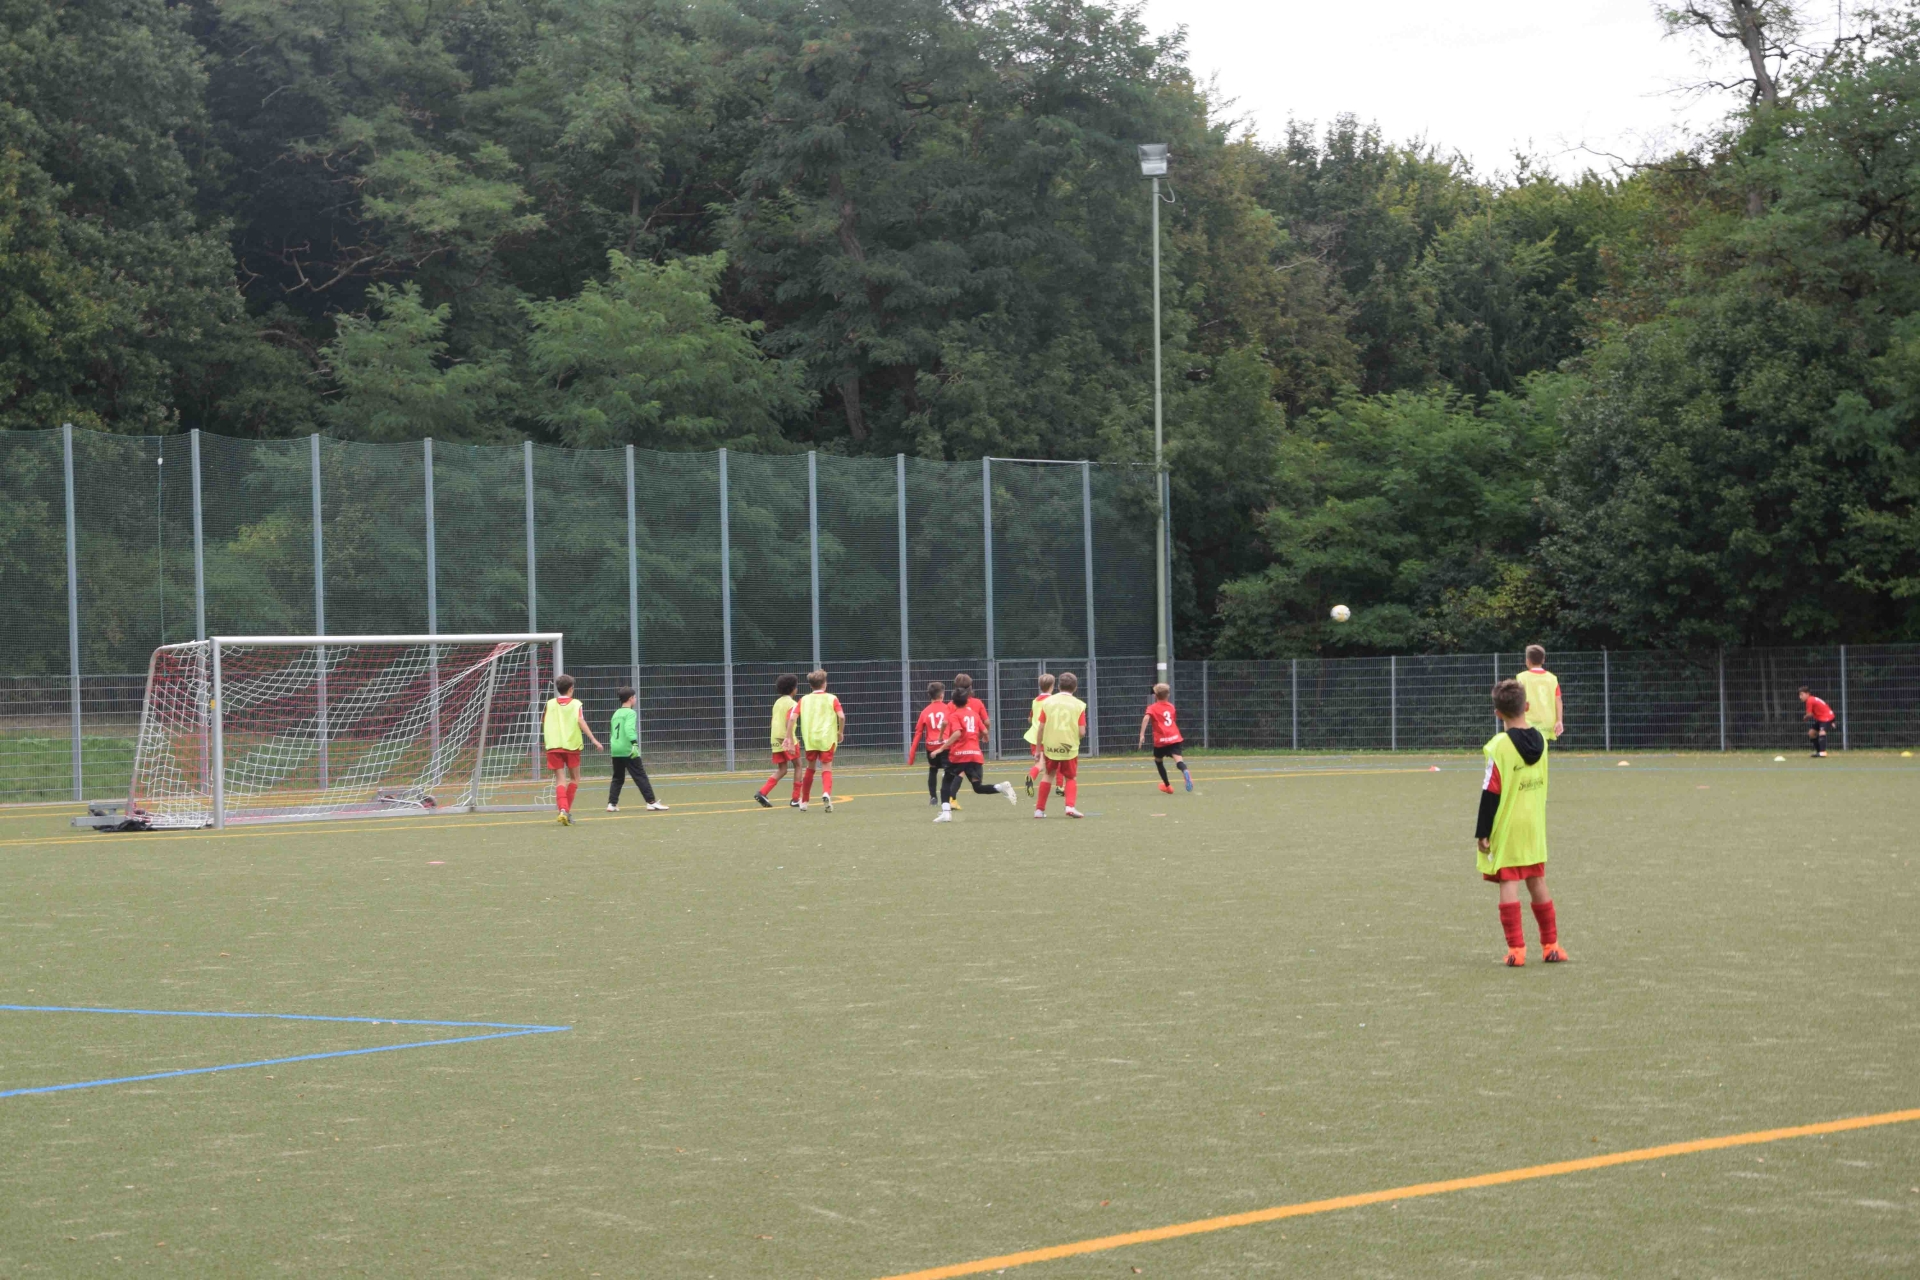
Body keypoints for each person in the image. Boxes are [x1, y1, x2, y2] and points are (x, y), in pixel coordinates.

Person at [1476, 678, 1565, 967]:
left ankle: (1516, 950)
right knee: (1537, 880)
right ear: (1526, 707)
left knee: (1509, 880)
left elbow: (1491, 790)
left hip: (1509, 825)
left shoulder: (1499, 746)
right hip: (1534, 825)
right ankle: (1551, 945)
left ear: (1497, 713)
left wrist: (1483, 831)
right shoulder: (1541, 741)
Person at [934, 675, 1016, 822]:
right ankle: (1000, 787)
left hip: (959, 753)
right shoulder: (975, 710)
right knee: (977, 787)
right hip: (975, 754)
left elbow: (953, 729)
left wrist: (941, 745)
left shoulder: (952, 710)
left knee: (947, 780)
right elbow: (985, 726)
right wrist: (983, 736)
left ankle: (946, 812)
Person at [543, 673, 603, 826]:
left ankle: (563, 810)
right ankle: (566, 810)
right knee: (575, 779)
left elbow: (545, 721)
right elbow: (580, 721)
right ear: (571, 689)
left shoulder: (550, 704)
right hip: (572, 746)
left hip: (553, 745)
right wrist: (593, 739)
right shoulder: (576, 704)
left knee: (560, 780)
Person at [1035, 671, 1088, 818]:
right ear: (1075, 688)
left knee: (1048, 775)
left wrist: (1038, 749)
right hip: (1069, 747)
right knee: (1070, 777)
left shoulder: (1047, 702)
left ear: (1058, 686)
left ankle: (1039, 810)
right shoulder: (1079, 705)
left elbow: (1041, 727)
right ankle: (1070, 807)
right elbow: (1082, 731)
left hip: (1050, 746)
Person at [606, 686, 666, 812]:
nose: (636, 699)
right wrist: (634, 743)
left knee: (618, 777)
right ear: (630, 699)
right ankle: (651, 802)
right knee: (640, 775)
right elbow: (629, 729)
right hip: (628, 749)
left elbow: (612, 732)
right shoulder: (631, 713)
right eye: (635, 697)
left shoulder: (616, 713)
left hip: (615, 749)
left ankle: (612, 804)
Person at [794, 669, 845, 812]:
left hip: (811, 739)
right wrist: (840, 732)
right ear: (824, 684)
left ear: (811, 685)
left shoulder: (803, 700)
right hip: (827, 739)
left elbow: (792, 717)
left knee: (810, 768)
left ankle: (804, 801)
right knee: (826, 767)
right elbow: (841, 716)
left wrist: (788, 737)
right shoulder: (832, 698)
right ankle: (826, 793)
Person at [753, 674, 803, 808]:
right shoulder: (793, 704)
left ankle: (762, 792)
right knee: (798, 765)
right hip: (786, 737)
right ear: (793, 689)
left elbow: (773, 721)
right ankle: (795, 799)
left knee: (782, 769)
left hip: (775, 737)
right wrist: (790, 740)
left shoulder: (777, 702)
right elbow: (789, 721)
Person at [1137, 683, 1192, 793]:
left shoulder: (1152, 708)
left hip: (1161, 740)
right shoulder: (1171, 707)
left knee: (1158, 761)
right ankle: (1185, 770)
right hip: (1174, 738)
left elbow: (1146, 718)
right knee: (1179, 761)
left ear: (1155, 695)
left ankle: (1167, 786)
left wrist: (1142, 734)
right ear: (1168, 695)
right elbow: (1173, 720)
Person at [907, 681, 953, 806]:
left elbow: (918, 734)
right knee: (949, 770)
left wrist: (911, 756)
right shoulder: (948, 709)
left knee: (933, 770)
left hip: (931, 747)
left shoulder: (925, 712)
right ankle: (947, 796)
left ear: (930, 695)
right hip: (945, 746)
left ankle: (933, 797)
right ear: (942, 695)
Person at [1514, 644, 1564, 741]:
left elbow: (1517, 699)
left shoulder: (1521, 678)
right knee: (1542, 745)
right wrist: (1559, 720)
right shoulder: (1552, 678)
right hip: (1548, 722)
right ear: (1543, 660)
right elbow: (1558, 699)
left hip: (1528, 722)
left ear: (1527, 661)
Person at [1023, 673, 1055, 796]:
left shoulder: (1035, 701)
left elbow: (1030, 718)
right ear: (1052, 686)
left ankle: (1031, 776)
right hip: (1047, 736)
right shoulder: (1052, 701)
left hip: (1034, 736)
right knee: (1052, 764)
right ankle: (1059, 787)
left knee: (1040, 764)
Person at [1799, 686, 1837, 757]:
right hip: (1822, 718)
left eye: (1802, 694)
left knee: (1822, 732)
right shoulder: (1812, 699)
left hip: (1826, 717)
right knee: (1811, 733)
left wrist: (1805, 717)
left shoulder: (1809, 700)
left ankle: (1823, 752)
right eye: (1800, 695)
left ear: (1807, 694)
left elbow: (1809, 714)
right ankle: (1819, 752)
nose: (1800, 697)